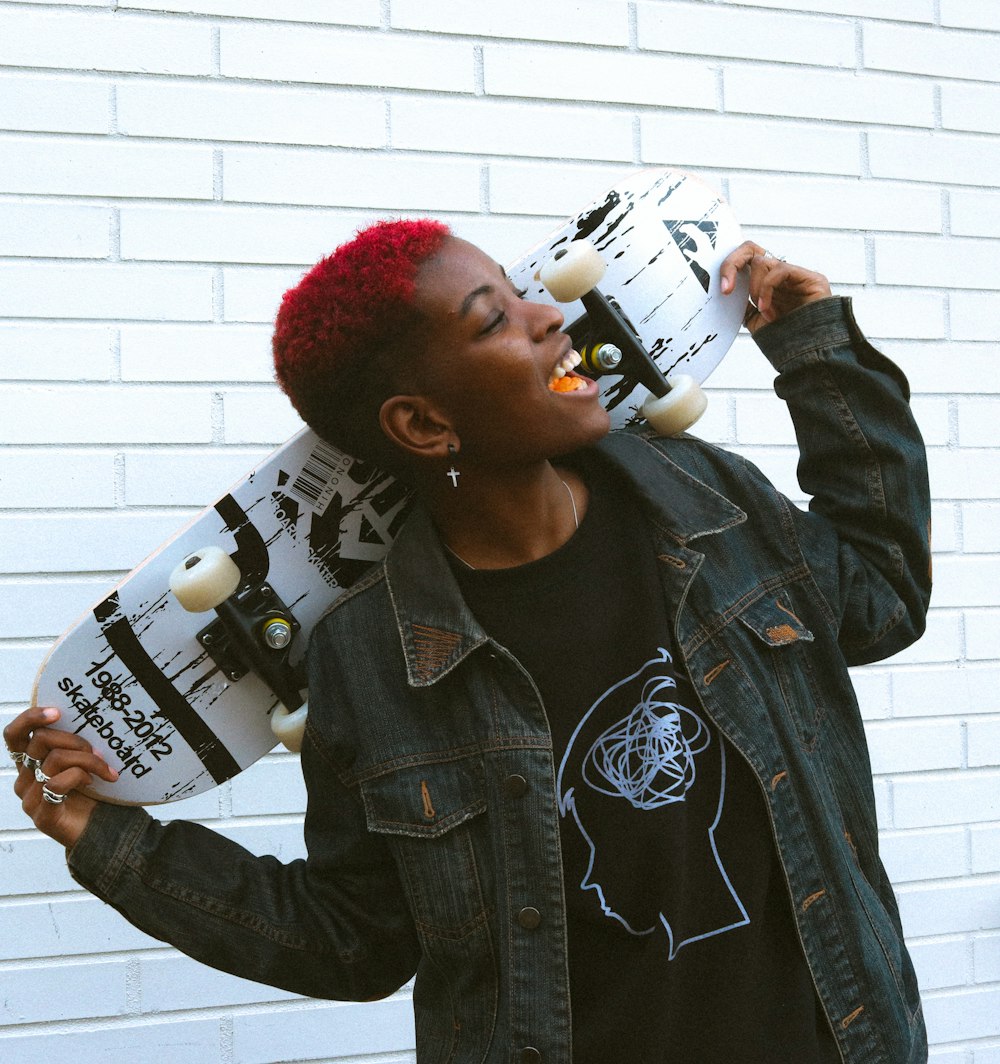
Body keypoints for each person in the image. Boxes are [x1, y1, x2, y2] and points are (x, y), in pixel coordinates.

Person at [7, 218, 931, 1064]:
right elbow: (358, 937)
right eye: (497, 321)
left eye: (523, 294)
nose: (550, 317)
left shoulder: (706, 504)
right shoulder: (366, 659)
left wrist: (816, 350)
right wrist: (112, 844)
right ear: (423, 423)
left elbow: (880, 596)